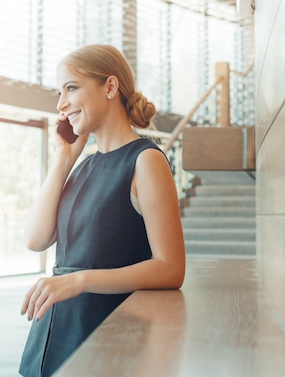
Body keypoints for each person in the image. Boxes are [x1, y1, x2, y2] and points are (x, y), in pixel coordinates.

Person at [18, 44, 186, 377]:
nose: (60, 104)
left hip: (103, 335)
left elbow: (171, 268)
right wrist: (64, 159)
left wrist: (78, 281)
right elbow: (35, 239)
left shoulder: (145, 161)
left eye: (71, 88)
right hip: (49, 338)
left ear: (110, 87)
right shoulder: (81, 166)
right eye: (59, 92)